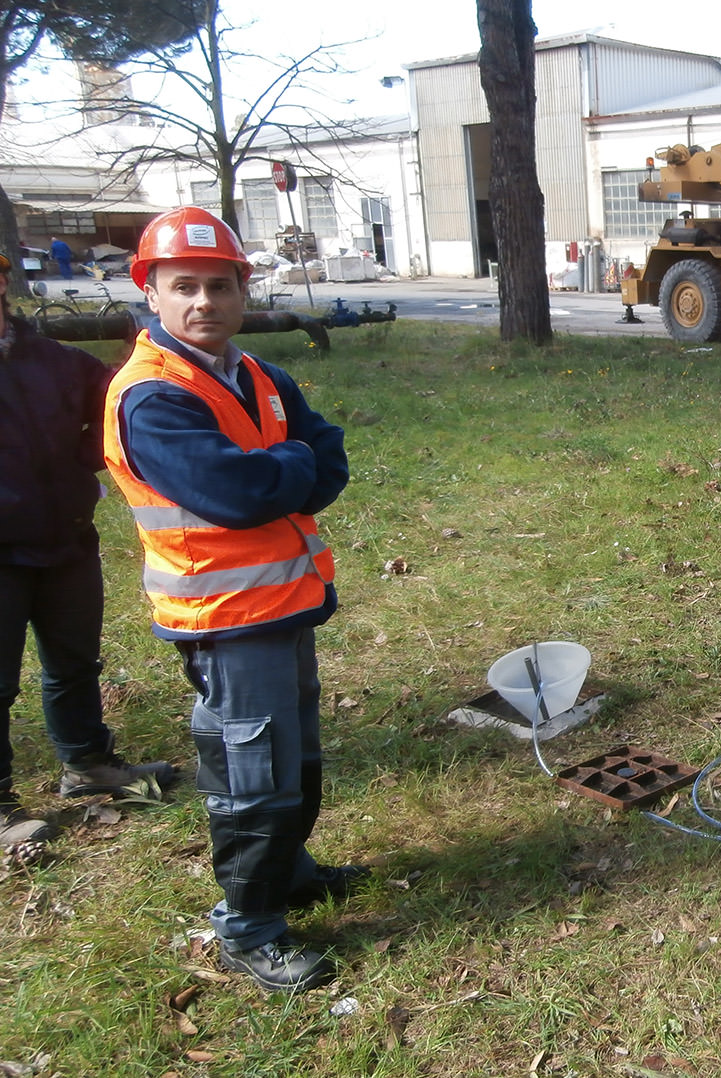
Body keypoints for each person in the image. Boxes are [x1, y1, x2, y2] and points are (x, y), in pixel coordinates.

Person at [102, 208, 364, 993]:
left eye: (219, 286)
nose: (203, 302)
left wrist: (279, 465)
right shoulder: (153, 397)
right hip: (224, 622)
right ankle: (248, 929)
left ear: (243, 291)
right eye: (183, 287)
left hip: (285, 606)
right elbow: (237, 492)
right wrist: (286, 465)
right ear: (151, 292)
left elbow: (329, 458)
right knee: (254, 777)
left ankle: (288, 872)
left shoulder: (256, 376)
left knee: (299, 758)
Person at [1, 252, 177, 849]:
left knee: (74, 664)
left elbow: (117, 408)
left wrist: (84, 469)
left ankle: (87, 766)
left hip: (66, 539)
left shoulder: (52, 362)